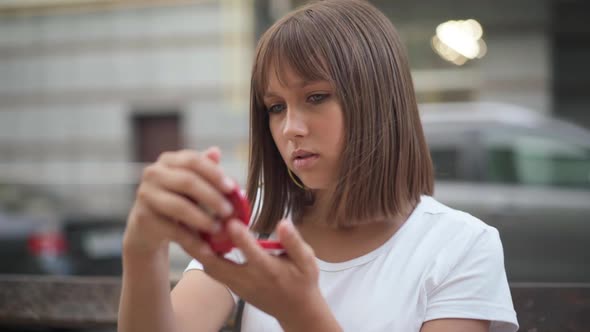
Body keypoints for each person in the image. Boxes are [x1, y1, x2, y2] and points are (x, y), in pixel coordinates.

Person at [118, 1, 519, 331]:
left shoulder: (460, 246)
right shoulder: (258, 222)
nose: (290, 128)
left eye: (316, 97)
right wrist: (143, 248)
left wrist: (299, 313)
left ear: (378, 99)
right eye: (275, 107)